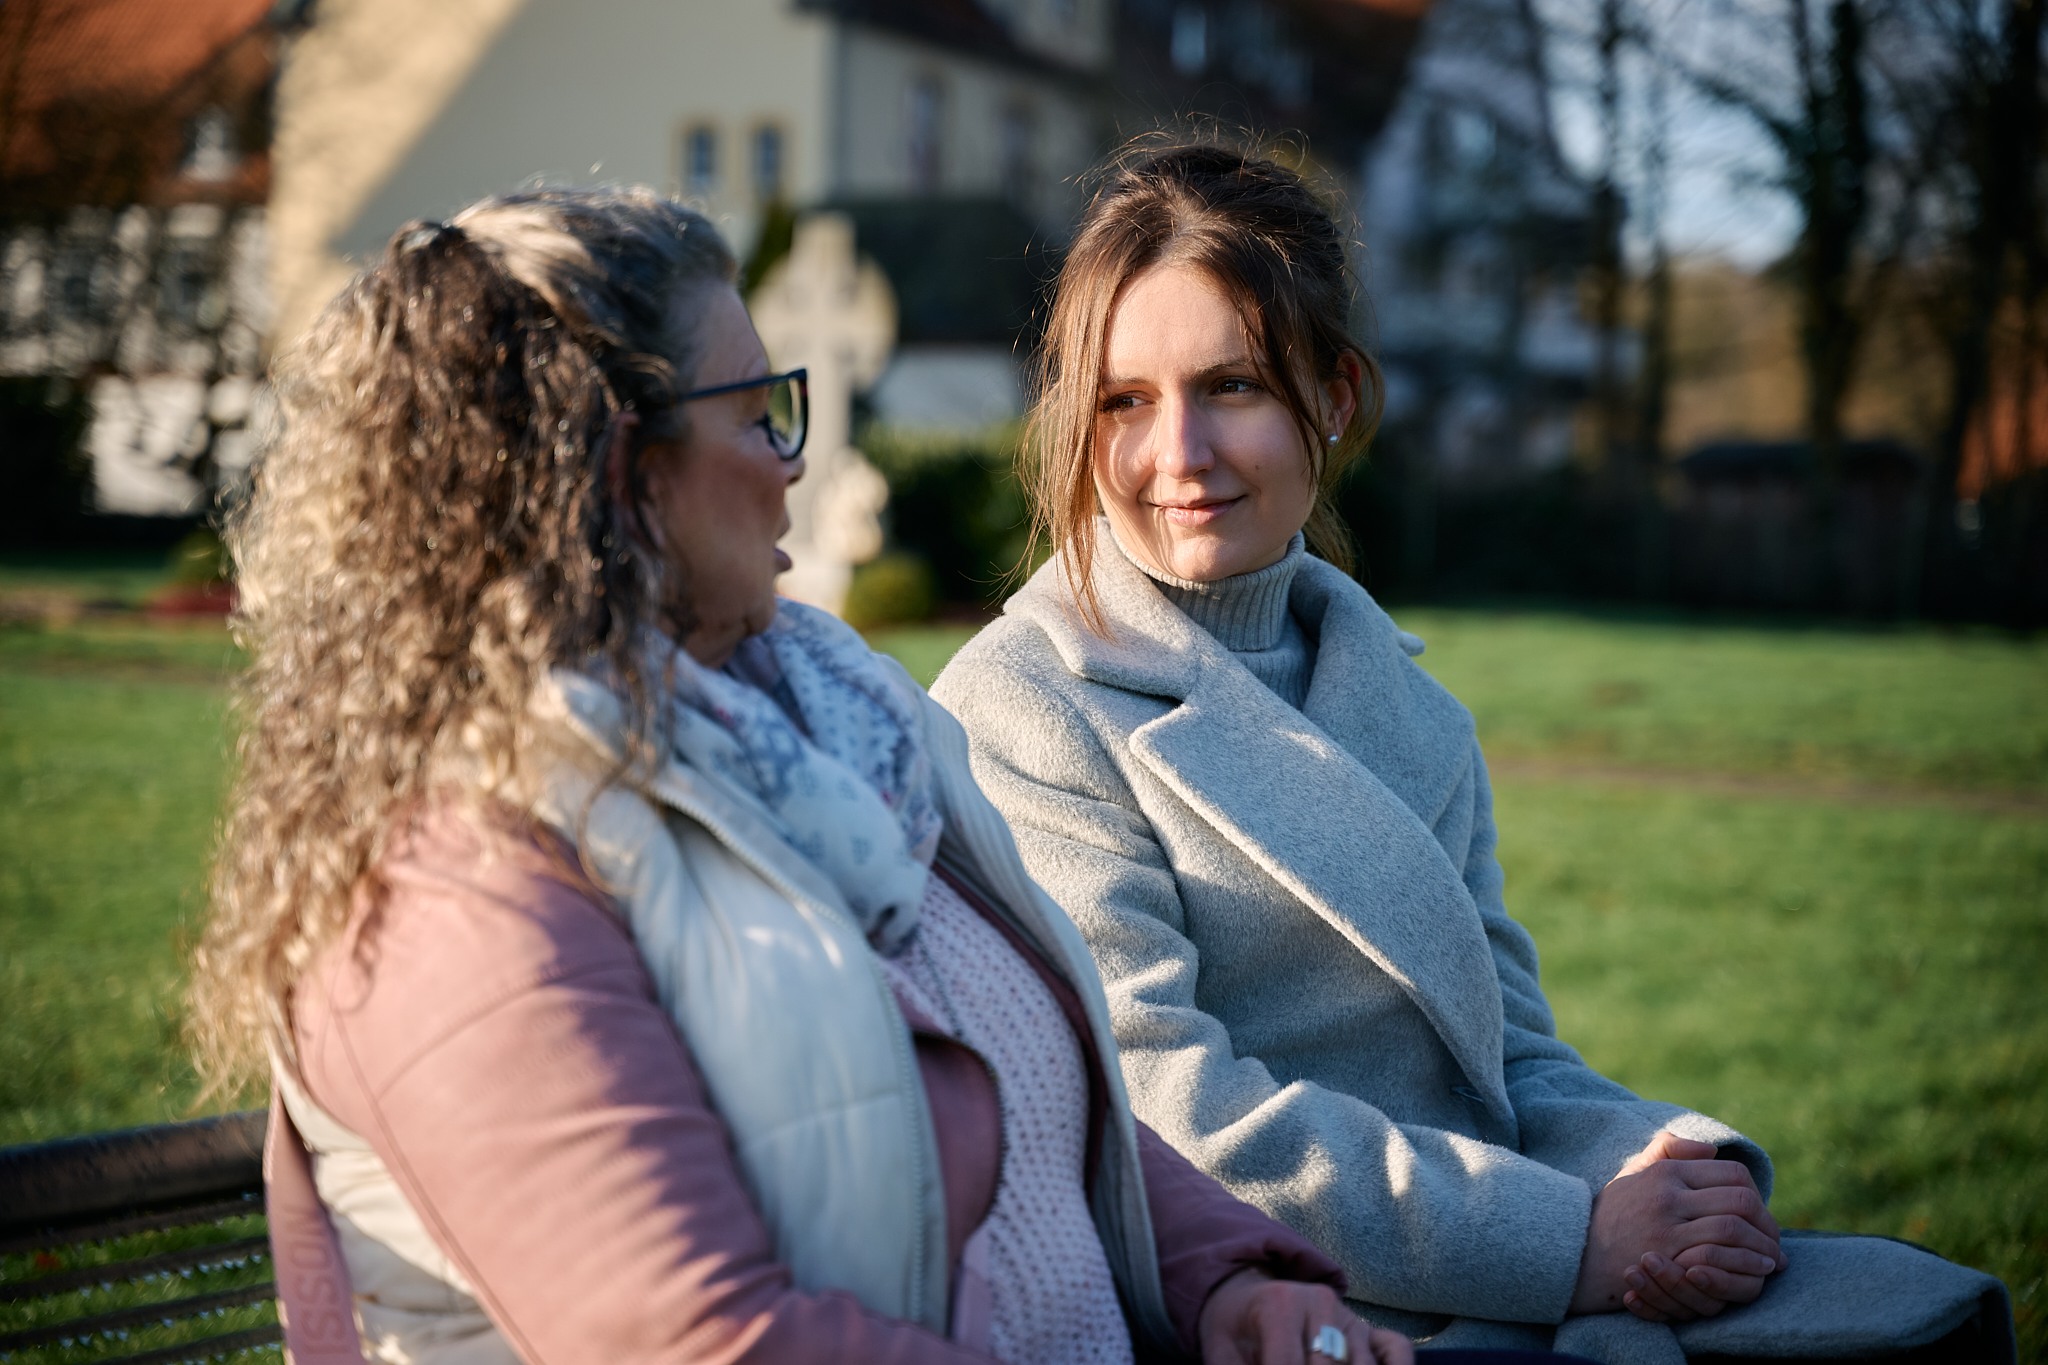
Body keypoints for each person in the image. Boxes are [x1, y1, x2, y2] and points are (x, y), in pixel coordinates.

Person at [188, 187, 1423, 1365]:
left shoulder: (834, 731)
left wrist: (1231, 1286)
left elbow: (1047, 1107)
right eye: (756, 414)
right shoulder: (455, 885)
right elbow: (699, 1340)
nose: (793, 464)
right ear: (618, 469)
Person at [930, 145, 2013, 1364]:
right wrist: (1564, 1244)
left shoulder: (1407, 706)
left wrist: (1663, 1170)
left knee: (1921, 1318)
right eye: (1123, 400)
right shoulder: (1023, 707)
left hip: (1488, 1252)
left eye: (1230, 385)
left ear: (1332, 397)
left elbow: (1503, 1059)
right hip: (1265, 1306)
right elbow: (1159, 1119)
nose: (1176, 453)